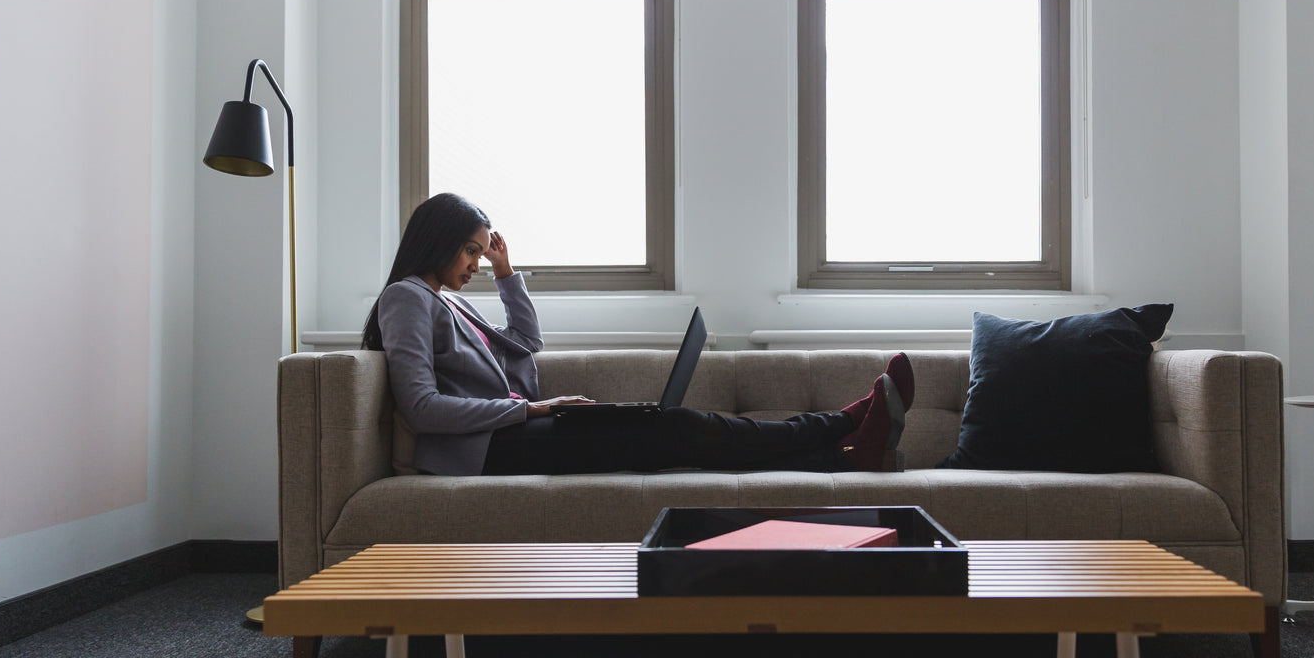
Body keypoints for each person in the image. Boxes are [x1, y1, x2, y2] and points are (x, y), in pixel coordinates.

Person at [360, 192, 912, 478]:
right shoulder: (406, 297)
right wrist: (533, 410)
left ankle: (843, 447)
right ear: (438, 241)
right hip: (487, 452)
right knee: (670, 428)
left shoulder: (446, 302)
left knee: (666, 427)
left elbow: (527, 343)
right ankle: (842, 427)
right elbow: (423, 407)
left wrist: (508, 276)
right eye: (472, 252)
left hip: (519, 433)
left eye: (482, 254)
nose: (477, 264)